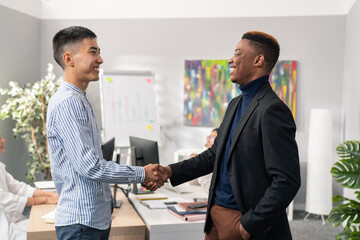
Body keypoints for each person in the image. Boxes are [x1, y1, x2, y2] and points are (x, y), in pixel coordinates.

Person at [153, 31, 301, 240]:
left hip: (241, 219)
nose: (230, 59)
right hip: (215, 215)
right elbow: (215, 154)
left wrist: (249, 225)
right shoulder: (235, 104)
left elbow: (287, 180)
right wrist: (169, 171)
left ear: (258, 60)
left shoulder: (272, 110)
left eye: (238, 53)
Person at [47, 26, 165, 240]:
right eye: (93, 52)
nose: (100, 59)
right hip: (81, 223)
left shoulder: (79, 100)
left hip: (91, 220)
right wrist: (141, 173)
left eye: (99, 52)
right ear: (69, 58)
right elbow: (89, 166)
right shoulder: (68, 103)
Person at [0, 133, 59, 240]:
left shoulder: (0, 167)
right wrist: (44, 199)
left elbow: (18, 187)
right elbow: (6, 200)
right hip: (4, 228)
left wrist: (50, 195)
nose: (3, 140)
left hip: (14, 222)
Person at [189, 128, 218, 193]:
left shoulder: (220, 161)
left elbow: (209, 189)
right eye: (209, 137)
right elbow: (191, 182)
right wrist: (194, 164)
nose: (208, 141)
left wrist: (201, 164)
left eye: (212, 138)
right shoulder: (206, 157)